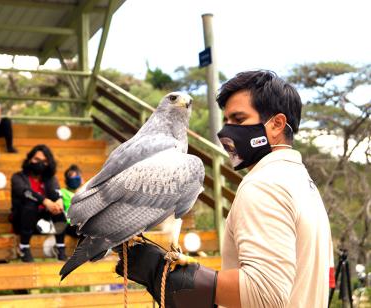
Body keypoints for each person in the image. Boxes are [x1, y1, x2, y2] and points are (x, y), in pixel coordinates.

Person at [115, 70, 334, 308]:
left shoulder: (263, 185)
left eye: (239, 120)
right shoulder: (303, 183)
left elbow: (265, 294)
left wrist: (166, 273)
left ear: (277, 124)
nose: (226, 133)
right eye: (226, 121)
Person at [11, 145, 67, 262]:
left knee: (58, 208)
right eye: (37, 159)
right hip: (22, 222)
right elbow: (25, 192)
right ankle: (23, 247)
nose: (40, 163)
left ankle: (60, 247)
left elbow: (55, 191)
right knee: (31, 204)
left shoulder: (49, 178)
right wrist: (45, 201)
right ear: (29, 159)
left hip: (42, 223)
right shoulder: (17, 177)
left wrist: (59, 200)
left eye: (44, 161)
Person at [60, 164, 82, 238]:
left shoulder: (86, 192)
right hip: (69, 224)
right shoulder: (62, 192)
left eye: (76, 177)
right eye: (71, 177)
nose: (74, 179)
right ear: (66, 180)